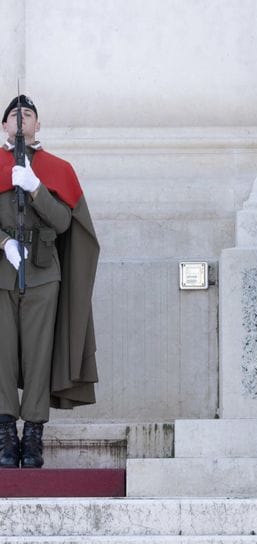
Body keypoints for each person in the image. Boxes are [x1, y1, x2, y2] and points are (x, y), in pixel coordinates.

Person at [0, 95, 99, 469]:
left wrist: (36, 188)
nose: (21, 120)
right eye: (14, 115)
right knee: (3, 355)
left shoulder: (57, 169)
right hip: (3, 268)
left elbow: (62, 223)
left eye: (28, 115)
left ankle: (34, 435)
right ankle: (6, 435)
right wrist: (4, 242)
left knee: (40, 355)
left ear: (37, 126)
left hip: (43, 272)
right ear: (5, 126)